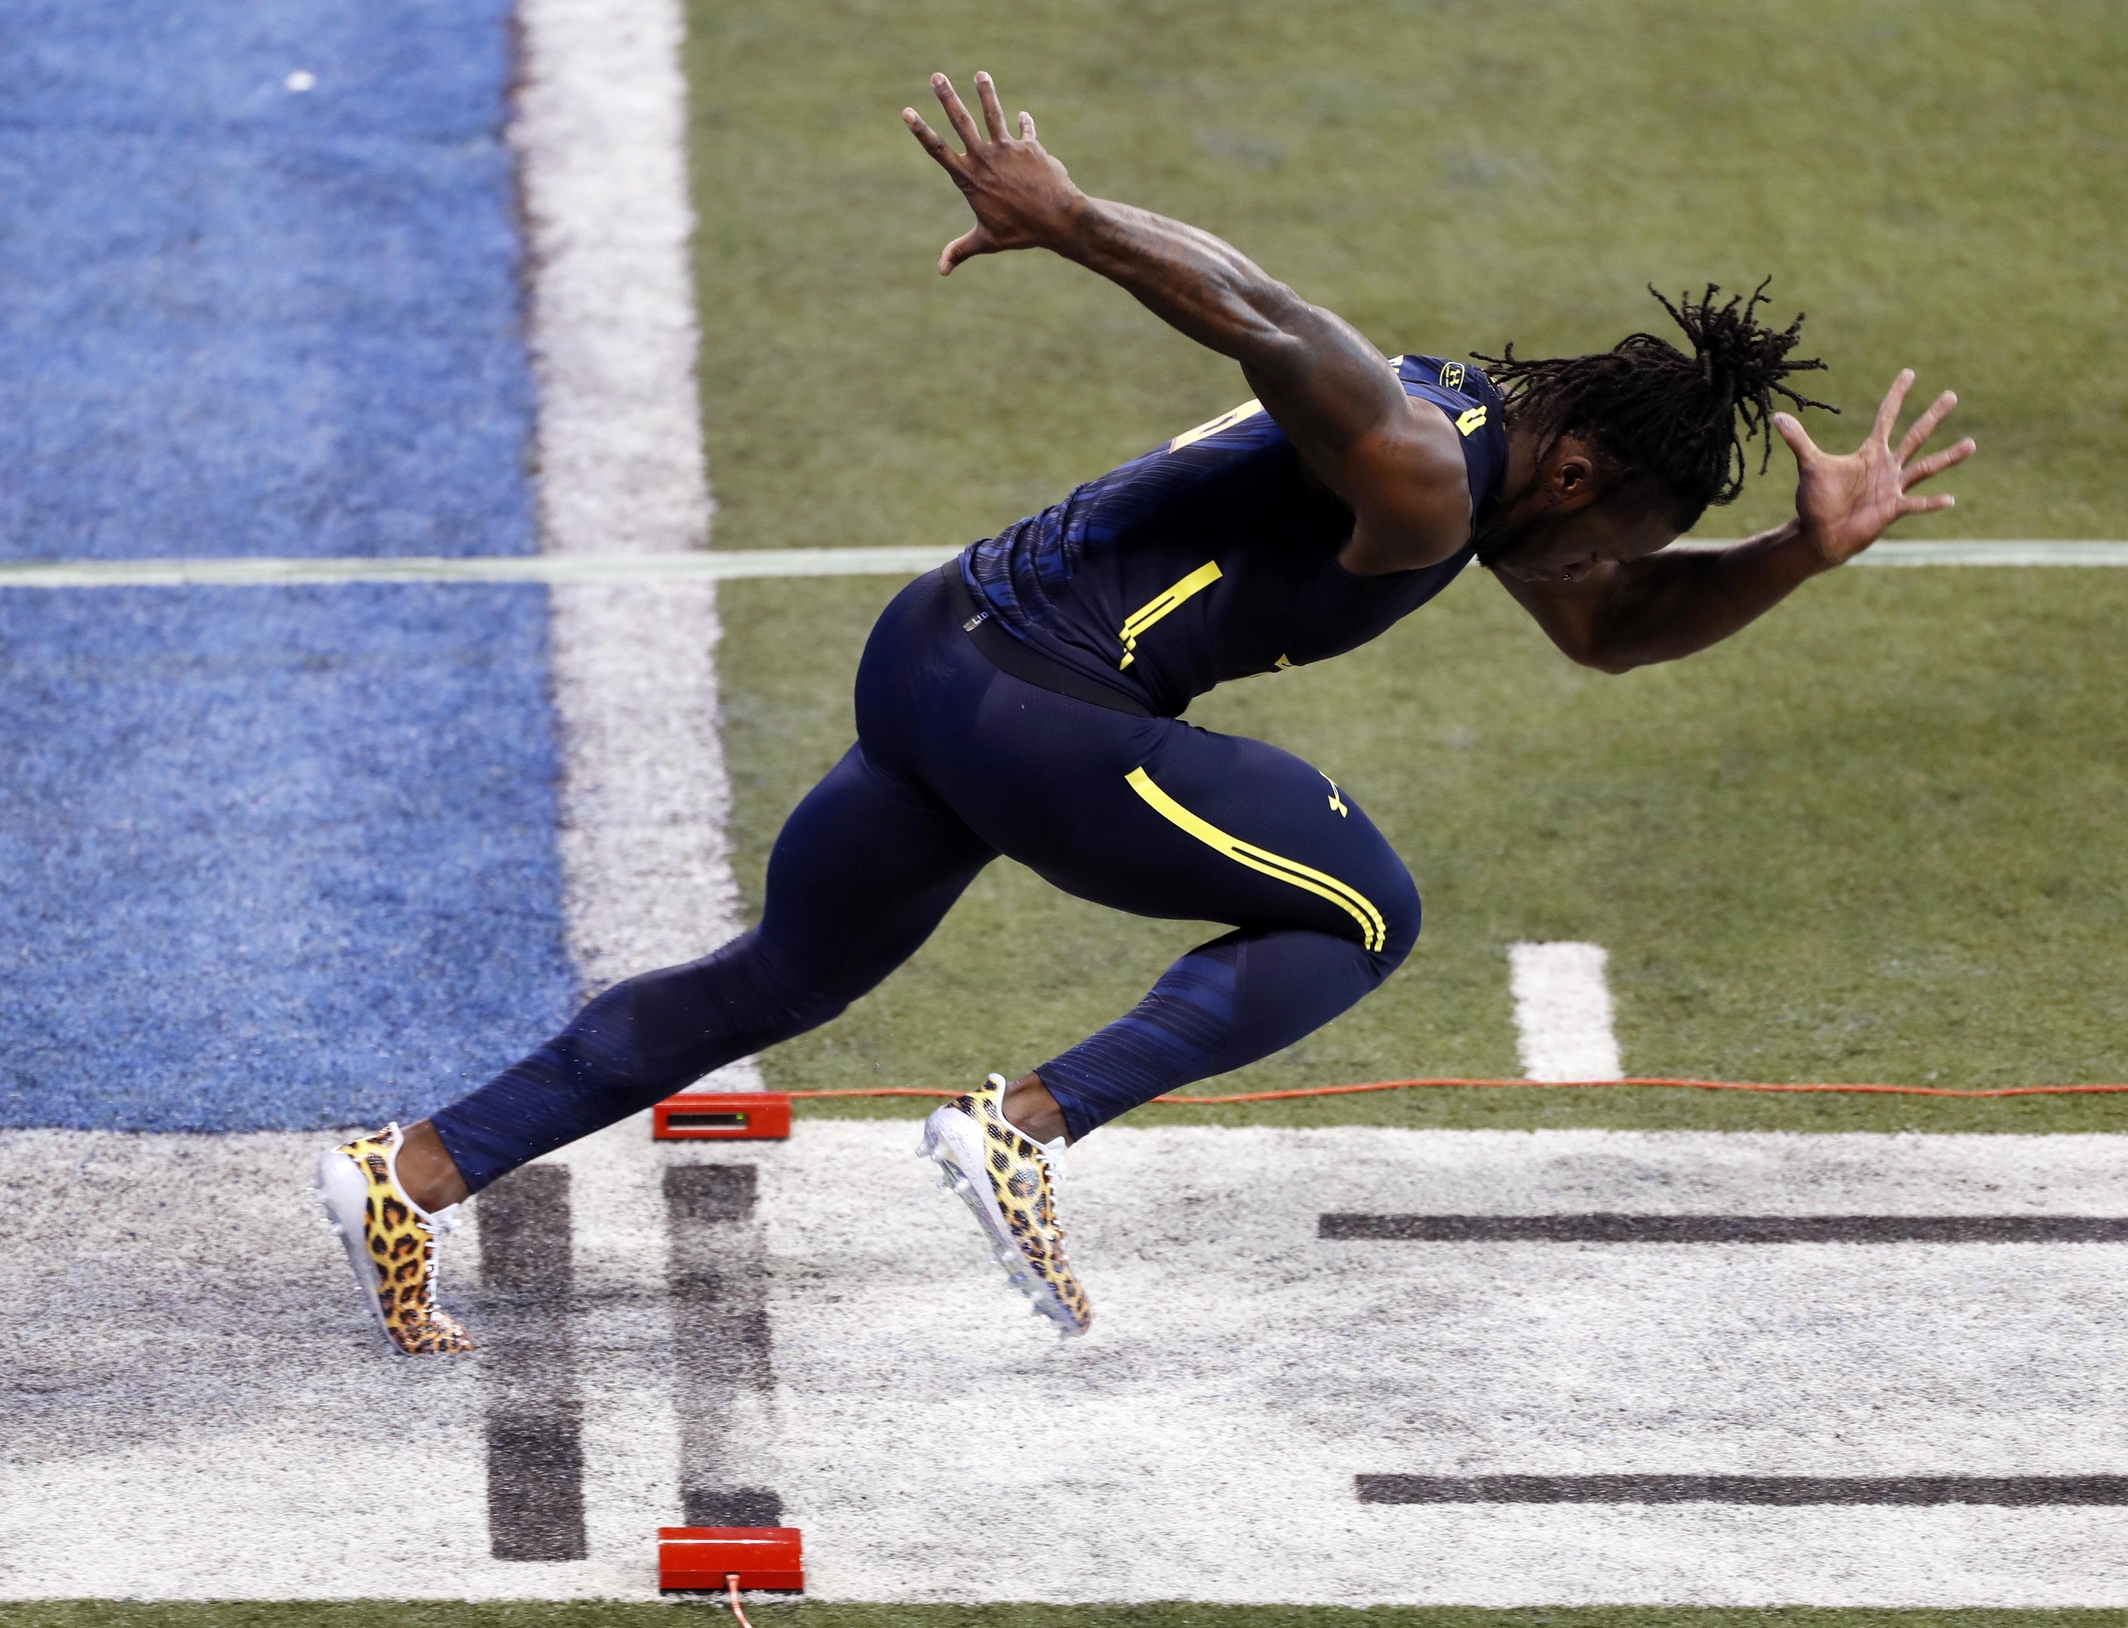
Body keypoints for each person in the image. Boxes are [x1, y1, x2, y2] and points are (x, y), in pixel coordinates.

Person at [318, 70, 1974, 1352]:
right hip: (1035, 706)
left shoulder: (1487, 453)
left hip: (936, 652)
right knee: (1361, 908)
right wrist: (1077, 217)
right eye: (1615, 533)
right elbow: (1270, 321)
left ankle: (417, 1169)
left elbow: (1614, 636)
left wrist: (1801, 558)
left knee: (789, 971)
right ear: (1581, 470)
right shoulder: (1417, 473)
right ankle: (1024, 1128)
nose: (1604, 566)